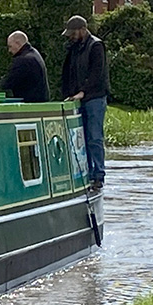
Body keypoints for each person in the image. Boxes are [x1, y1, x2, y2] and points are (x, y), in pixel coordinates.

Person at [59, 15, 109, 193]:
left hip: (95, 98)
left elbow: (97, 74)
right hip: (79, 97)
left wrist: (83, 91)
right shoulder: (75, 48)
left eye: (72, 34)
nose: (70, 37)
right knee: (80, 138)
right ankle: (85, 173)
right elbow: (69, 73)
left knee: (94, 137)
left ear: (82, 30)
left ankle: (98, 175)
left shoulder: (96, 46)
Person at [0, 31, 49, 103]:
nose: (9, 50)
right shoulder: (34, 54)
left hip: (29, 104)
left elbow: (7, 83)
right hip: (39, 101)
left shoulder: (23, 60)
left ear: (18, 43)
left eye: (10, 46)